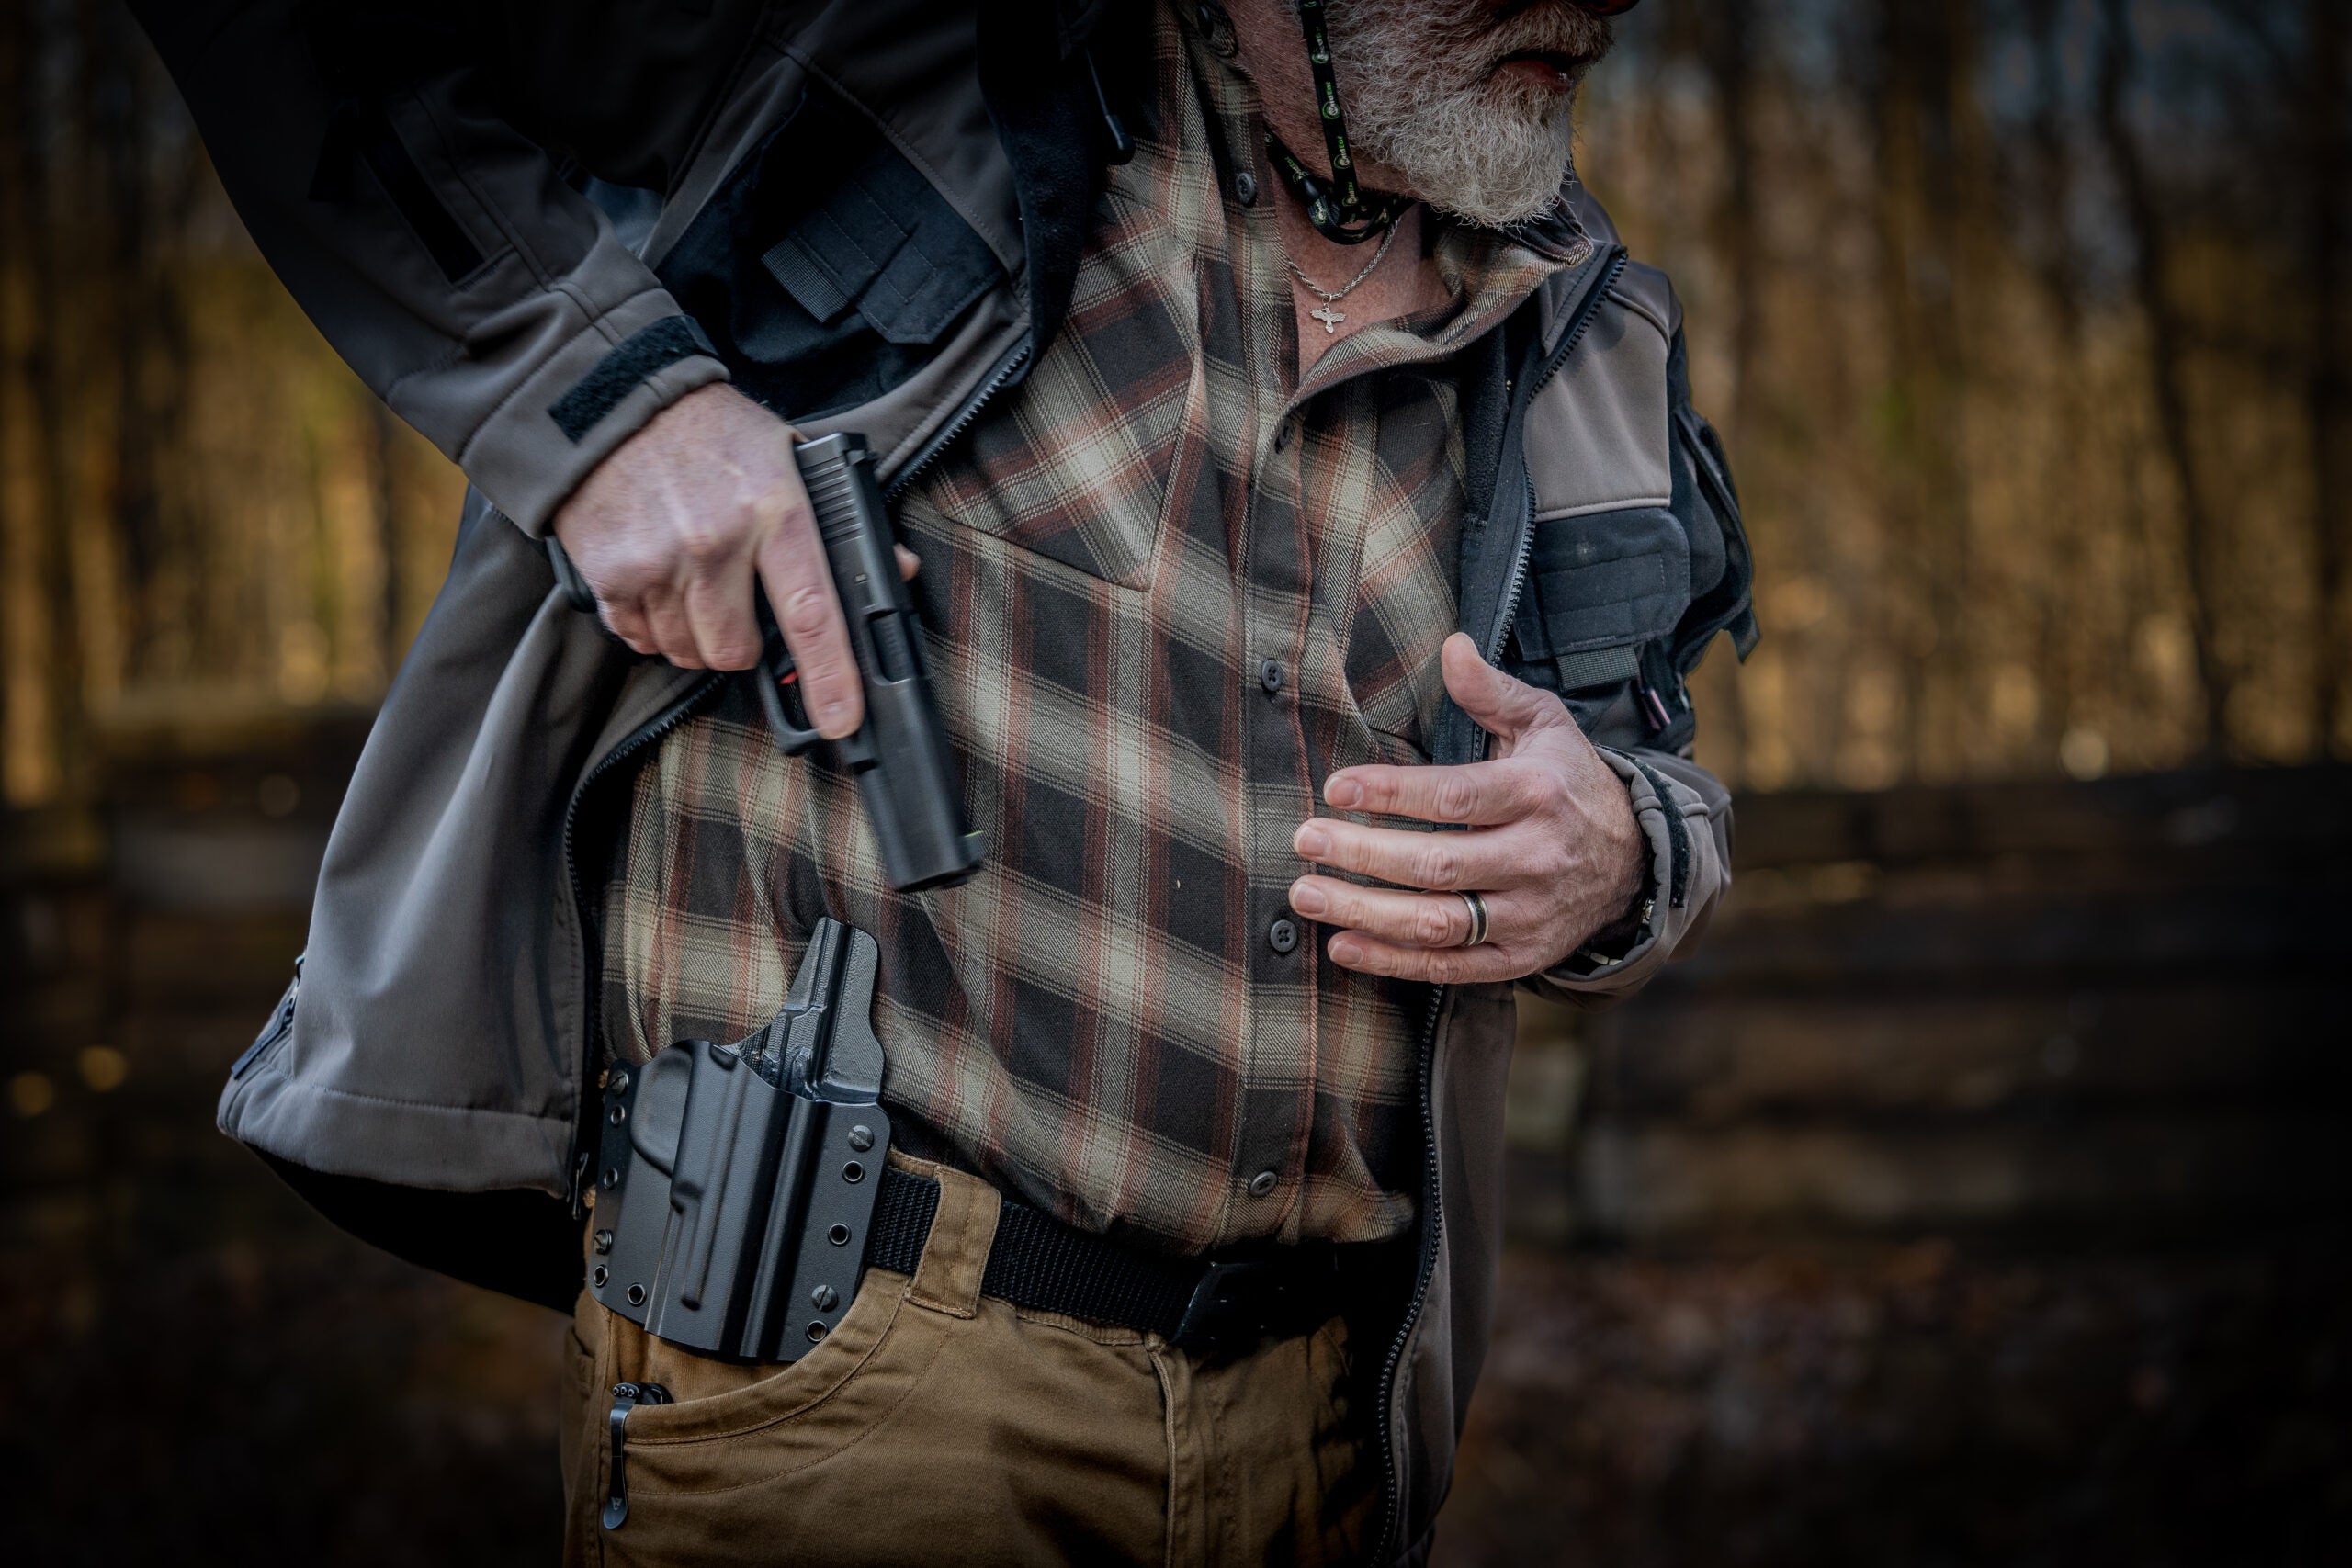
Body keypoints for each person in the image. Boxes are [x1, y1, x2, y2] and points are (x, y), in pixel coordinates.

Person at [139, 0, 1753, 1562]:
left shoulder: (1586, 327)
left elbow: (1642, 775)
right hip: (850, 1393)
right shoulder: (878, 53)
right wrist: (611, 415)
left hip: (1334, 1434)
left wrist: (1622, 853)